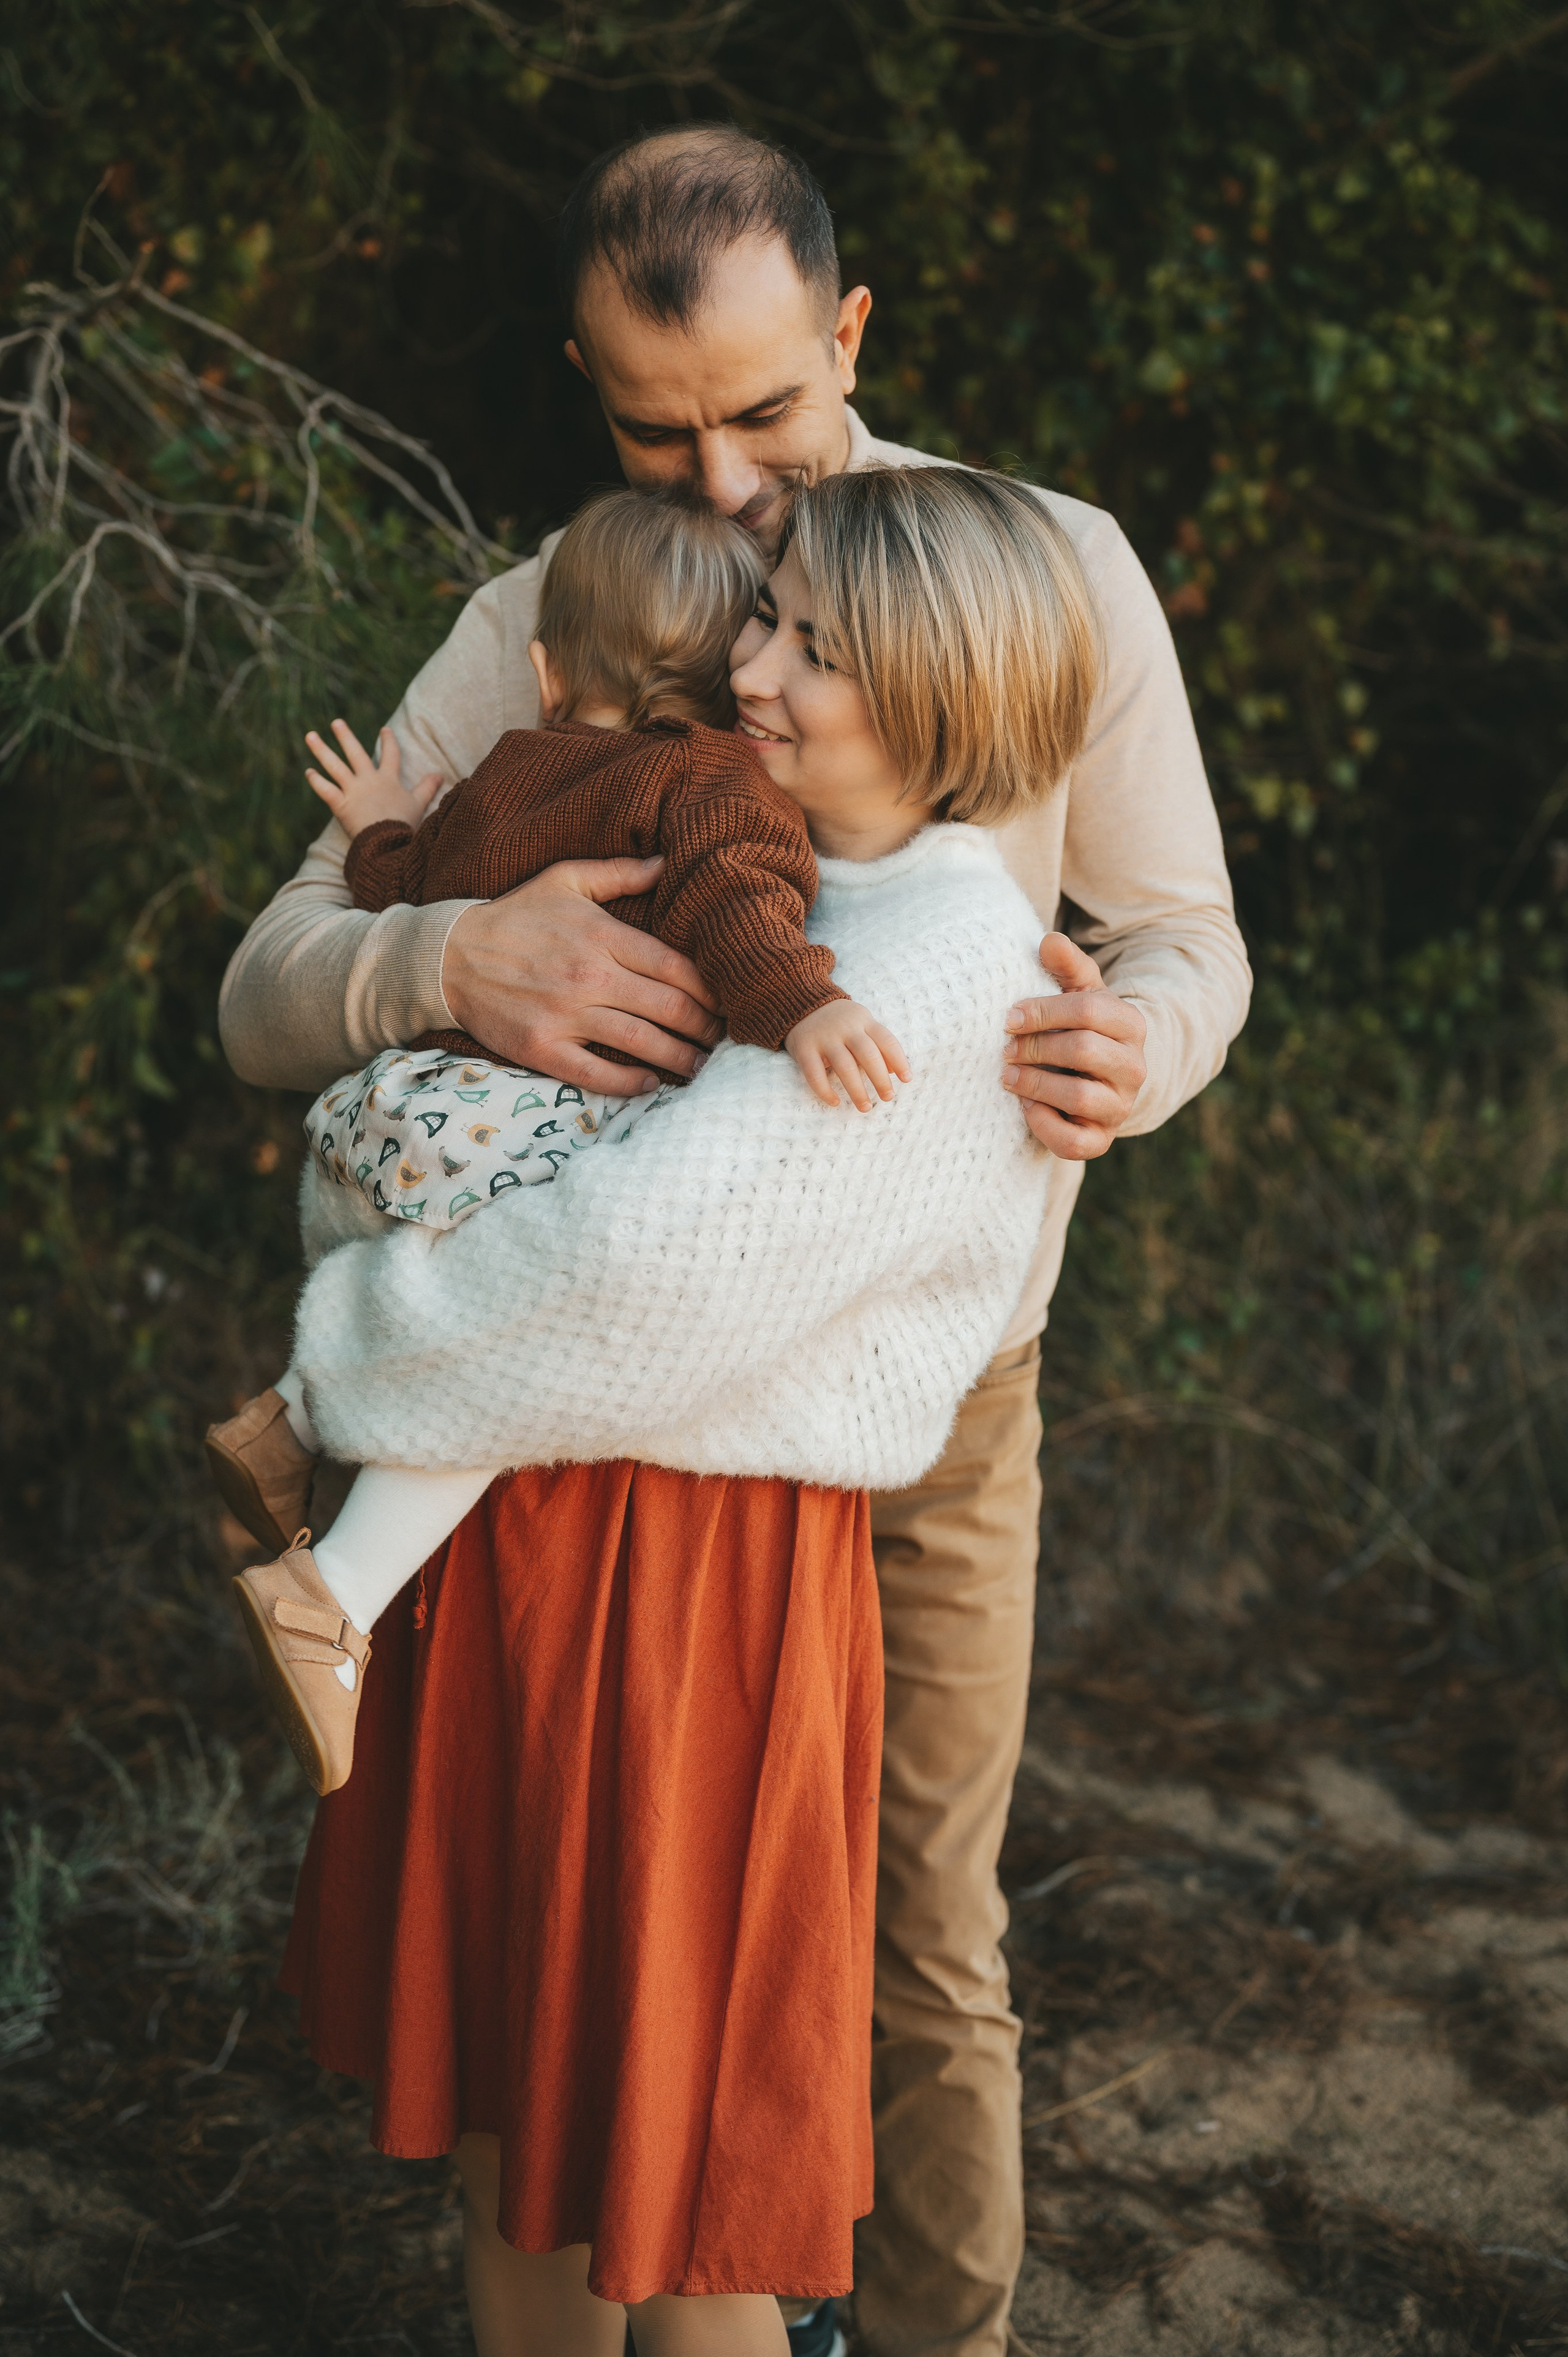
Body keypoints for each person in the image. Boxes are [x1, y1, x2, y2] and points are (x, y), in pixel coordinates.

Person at [218, 126, 1251, 2357]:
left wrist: (1140, 1046)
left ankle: (927, 2336)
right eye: (650, 427)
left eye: (766, 417)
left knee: (912, 1932)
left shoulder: (1031, 566)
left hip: (928, 1387)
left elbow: (1185, 929)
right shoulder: (553, 609)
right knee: (603, 1930)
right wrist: (451, 956)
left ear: (850, 334)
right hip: (611, 1415)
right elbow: (273, 971)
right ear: (586, 388)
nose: (715, 487)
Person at [276, 463, 1098, 2355]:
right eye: (766, 617)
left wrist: (343, 1334)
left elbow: (619, 1275)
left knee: (692, 2153)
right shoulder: (756, 858)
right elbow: (458, 1103)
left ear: (946, 701)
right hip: (540, 1542)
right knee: (520, 2120)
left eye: (815, 647)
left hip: (692, 1600)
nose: (752, 667)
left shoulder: (940, 966)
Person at [205, 487, 916, 1794]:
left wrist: (374, 822)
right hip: (514, 1128)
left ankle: (285, 1423)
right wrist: (804, 1004)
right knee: (513, 1347)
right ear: (728, 685)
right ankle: (332, 1601)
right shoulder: (708, 776)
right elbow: (735, 906)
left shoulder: (502, 770)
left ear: (543, 669)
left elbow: (404, 882)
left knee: (424, 1298)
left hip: (397, 1109)